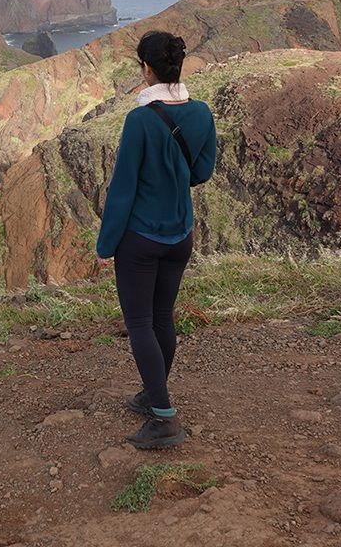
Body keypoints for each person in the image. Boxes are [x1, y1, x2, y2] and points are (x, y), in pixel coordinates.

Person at [96, 30, 217, 449]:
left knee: (140, 324)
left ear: (146, 69)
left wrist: (105, 246)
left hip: (140, 239)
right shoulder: (201, 113)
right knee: (163, 318)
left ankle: (164, 417)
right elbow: (202, 172)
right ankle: (153, 393)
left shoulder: (140, 120)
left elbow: (122, 190)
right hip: (180, 236)